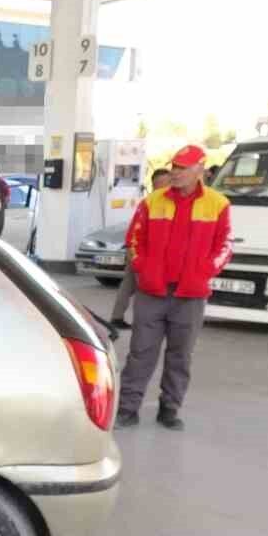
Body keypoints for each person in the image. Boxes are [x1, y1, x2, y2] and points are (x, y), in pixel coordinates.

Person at [115, 145, 232, 431]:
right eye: (175, 167)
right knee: (140, 352)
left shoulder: (218, 204)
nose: (176, 173)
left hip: (190, 295)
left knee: (180, 355)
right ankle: (128, 409)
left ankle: (169, 408)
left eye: (183, 168)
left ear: (199, 171)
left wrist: (203, 272)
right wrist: (143, 268)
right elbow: (134, 239)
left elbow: (225, 246)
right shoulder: (152, 201)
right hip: (152, 292)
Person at [111, 167, 172, 329]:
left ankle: (117, 317)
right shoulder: (151, 203)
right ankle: (142, 321)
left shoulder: (160, 202)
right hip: (143, 254)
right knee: (142, 289)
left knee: (128, 285)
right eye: (165, 183)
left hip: (141, 253)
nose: (169, 186)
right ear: (156, 184)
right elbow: (137, 231)